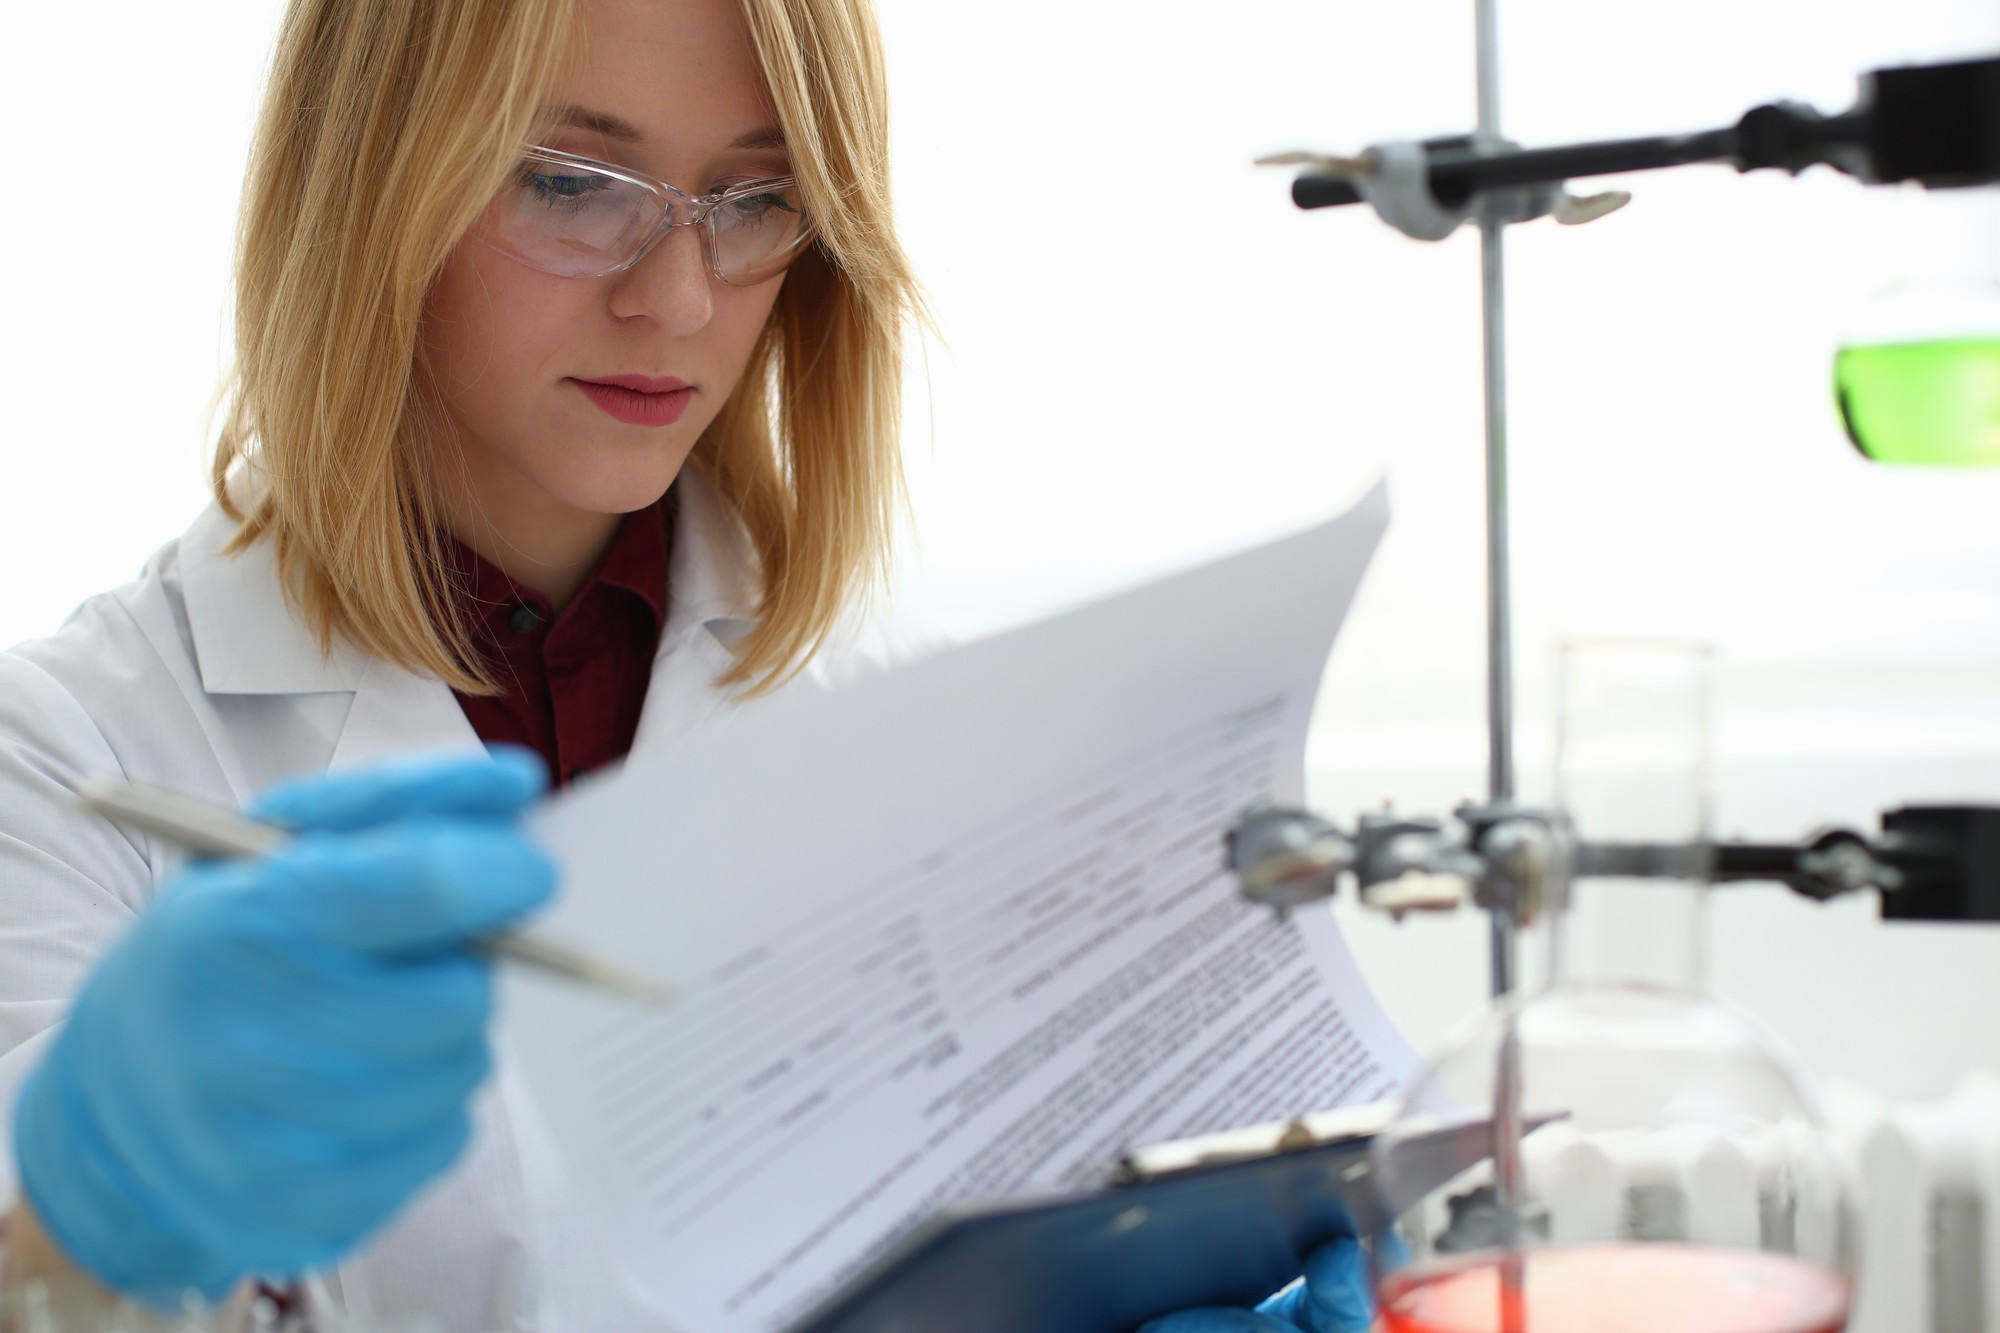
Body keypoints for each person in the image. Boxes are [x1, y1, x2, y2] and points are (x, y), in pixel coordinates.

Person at [0, 0, 1375, 1327]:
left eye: (755, 200)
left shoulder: (918, 723)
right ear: (367, 185)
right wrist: (88, 1225)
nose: (676, 297)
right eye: (566, 181)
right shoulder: (70, 755)